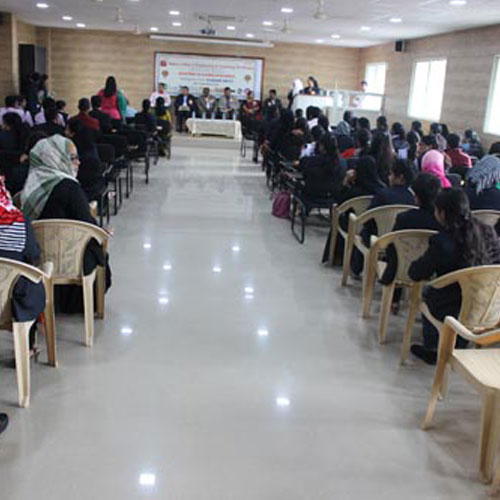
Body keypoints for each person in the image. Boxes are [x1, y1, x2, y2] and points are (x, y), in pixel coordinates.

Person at [21, 135, 111, 313]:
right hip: (72, 260)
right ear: (57, 157)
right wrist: (102, 232)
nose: (78, 162)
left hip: (38, 259)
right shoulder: (69, 187)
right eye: (72, 158)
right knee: (98, 248)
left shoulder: (31, 182)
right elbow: (88, 225)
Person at [408, 189, 500, 365]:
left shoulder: (442, 242)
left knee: (428, 291)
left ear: (442, 213)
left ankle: (433, 347)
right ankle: (460, 343)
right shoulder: (487, 231)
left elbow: (417, 273)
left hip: (451, 307)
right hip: (487, 304)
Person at [0, 174, 46, 360]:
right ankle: (27, 348)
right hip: (12, 299)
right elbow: (33, 255)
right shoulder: (19, 221)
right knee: (29, 280)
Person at [380, 173, 442, 287]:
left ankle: (394, 296)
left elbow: (392, 246)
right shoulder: (442, 222)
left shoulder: (404, 218)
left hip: (401, 269)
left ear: (417, 197)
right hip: (434, 273)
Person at [296, 133, 346, 200]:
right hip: (333, 197)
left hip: (312, 196)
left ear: (322, 146)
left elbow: (302, 165)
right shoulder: (343, 162)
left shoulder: (316, 160)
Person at [66, 118, 105, 201]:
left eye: (67, 129)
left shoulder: (74, 150)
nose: (65, 132)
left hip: (85, 189)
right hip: (95, 185)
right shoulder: (89, 144)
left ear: (73, 133)